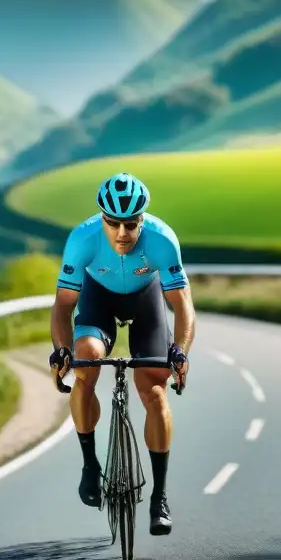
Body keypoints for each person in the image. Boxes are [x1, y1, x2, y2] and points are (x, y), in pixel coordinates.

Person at [48, 172, 195, 537]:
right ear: (102, 218)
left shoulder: (161, 240)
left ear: (143, 219)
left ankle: (159, 496)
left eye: (131, 224)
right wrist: (61, 351)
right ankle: (89, 464)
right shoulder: (82, 240)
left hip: (146, 302)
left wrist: (180, 352)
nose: (122, 234)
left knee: (153, 388)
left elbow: (183, 305)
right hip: (98, 300)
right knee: (86, 359)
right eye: (112, 223)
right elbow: (63, 305)